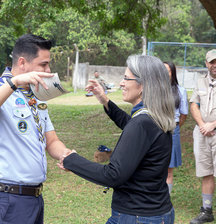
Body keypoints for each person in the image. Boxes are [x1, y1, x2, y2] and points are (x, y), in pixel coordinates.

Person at [0, 34, 71, 224]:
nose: (48, 70)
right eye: (43, 64)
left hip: (34, 198)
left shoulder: (35, 94)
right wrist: (13, 83)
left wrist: (66, 154)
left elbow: (51, 140)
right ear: (22, 62)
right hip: (8, 199)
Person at [59, 55, 176, 224]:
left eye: (126, 78)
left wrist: (72, 161)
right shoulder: (154, 117)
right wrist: (104, 99)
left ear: (143, 85)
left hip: (137, 217)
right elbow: (131, 126)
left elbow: (113, 175)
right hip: (156, 212)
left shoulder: (142, 123)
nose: (121, 83)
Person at [189, 49, 216, 224]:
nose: (215, 65)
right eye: (212, 62)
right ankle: (207, 210)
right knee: (206, 172)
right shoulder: (200, 82)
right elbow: (193, 104)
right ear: (206, 63)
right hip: (202, 133)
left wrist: (212, 125)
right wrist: (202, 125)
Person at [164, 61, 188, 195]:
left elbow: (184, 114)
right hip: (155, 130)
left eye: (167, 70)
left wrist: (175, 126)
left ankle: (165, 198)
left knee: (168, 168)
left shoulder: (180, 91)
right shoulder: (153, 90)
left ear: (172, 73)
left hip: (173, 131)